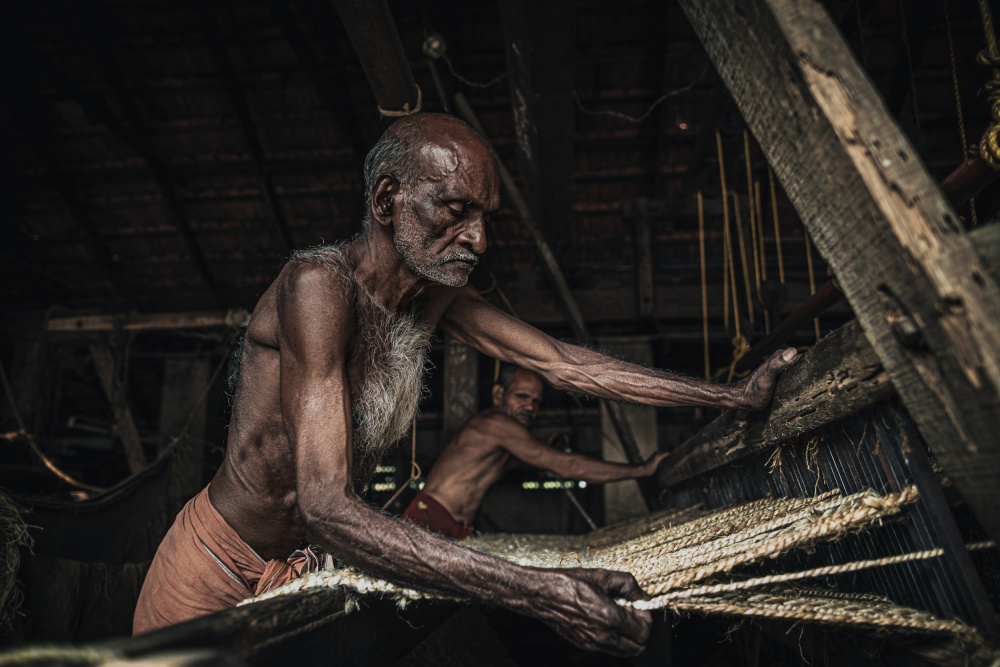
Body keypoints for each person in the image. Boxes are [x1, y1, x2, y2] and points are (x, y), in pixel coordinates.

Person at [133, 112, 797, 656]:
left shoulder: (431, 298)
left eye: (485, 217)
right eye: (454, 209)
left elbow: (569, 363)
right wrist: (541, 590)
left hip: (296, 578)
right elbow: (325, 505)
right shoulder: (317, 288)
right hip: (214, 570)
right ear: (387, 200)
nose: (477, 238)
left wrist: (733, 396)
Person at [402, 365, 669, 538]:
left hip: (452, 528)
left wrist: (546, 454)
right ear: (499, 395)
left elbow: (527, 464)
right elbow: (570, 467)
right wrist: (641, 470)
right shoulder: (496, 424)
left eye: (535, 401)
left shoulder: (500, 438)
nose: (530, 407)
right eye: (521, 397)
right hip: (429, 521)